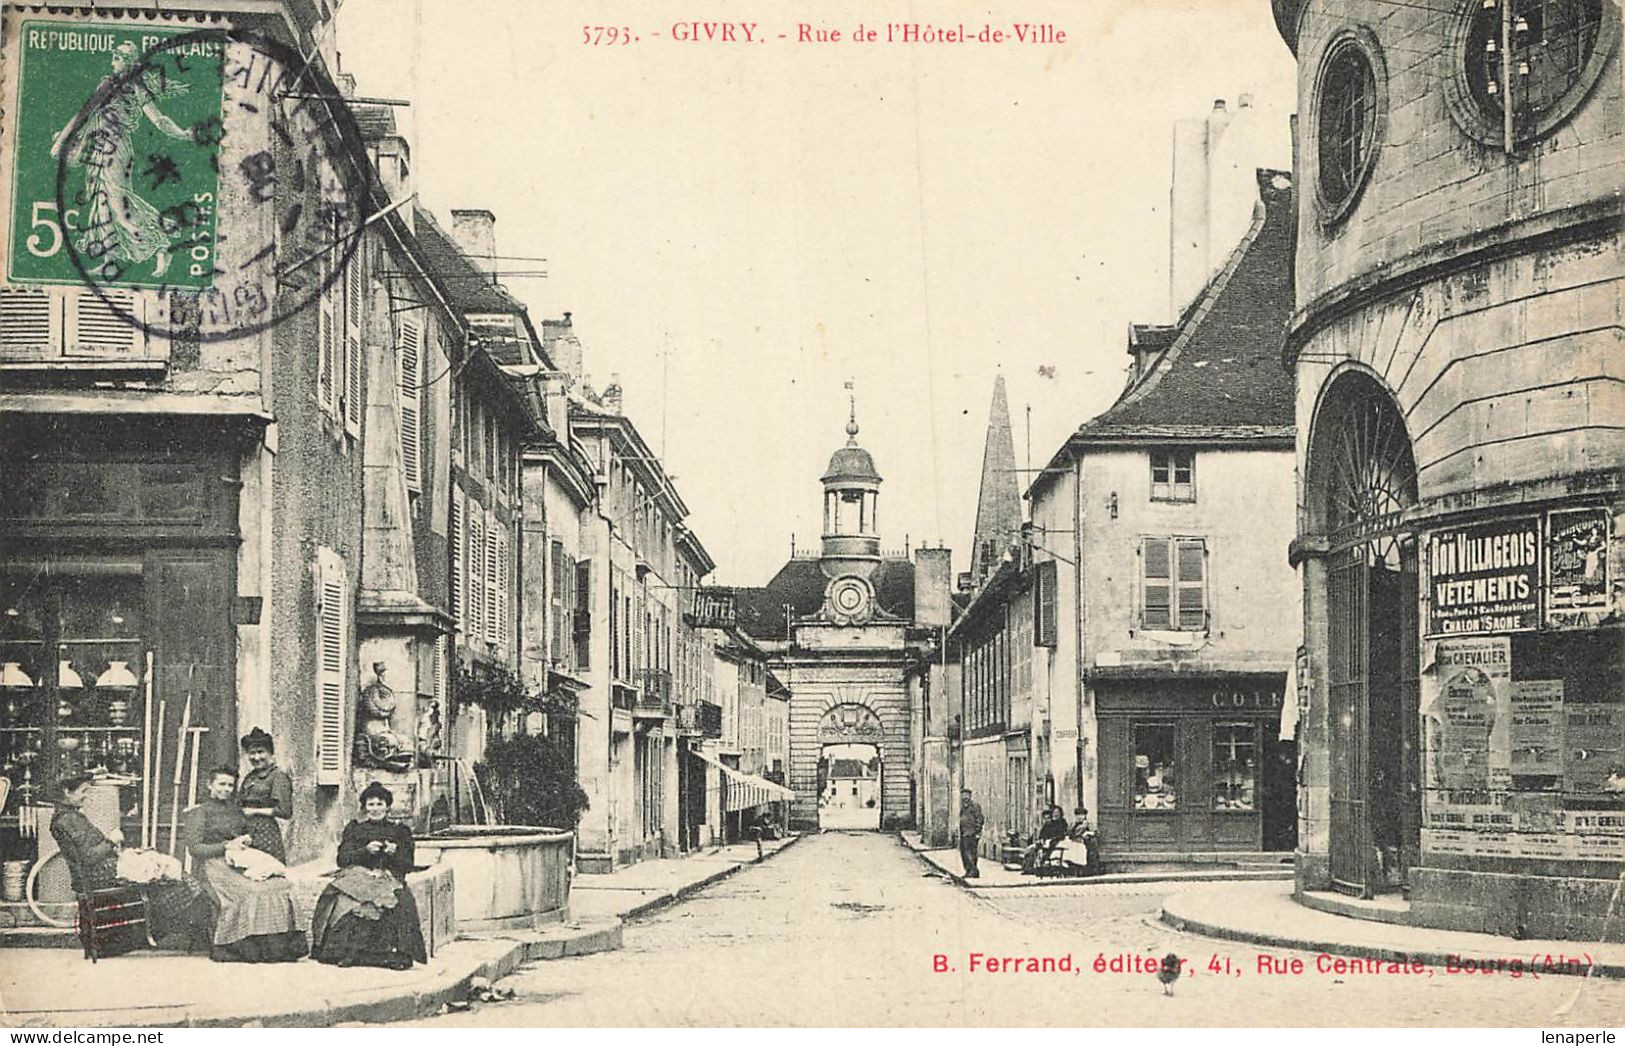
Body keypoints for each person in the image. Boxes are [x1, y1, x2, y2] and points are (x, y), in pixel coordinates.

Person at [49, 773, 209, 950]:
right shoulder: (68, 819)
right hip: (101, 873)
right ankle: (173, 925)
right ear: (66, 792)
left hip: (103, 868)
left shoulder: (68, 817)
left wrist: (125, 852)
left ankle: (178, 923)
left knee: (168, 868)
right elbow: (88, 857)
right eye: (82, 791)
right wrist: (112, 841)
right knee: (175, 876)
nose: (85, 796)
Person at [186, 767, 307, 963]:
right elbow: (195, 849)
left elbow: (247, 833)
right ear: (210, 785)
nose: (226, 789)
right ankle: (241, 948)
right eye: (221, 784)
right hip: (214, 867)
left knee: (280, 885)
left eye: (230, 785)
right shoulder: (199, 813)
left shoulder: (236, 811)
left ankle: (277, 950)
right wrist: (226, 845)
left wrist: (246, 841)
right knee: (253, 892)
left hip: (239, 862)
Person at [310, 782, 427, 969]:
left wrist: (394, 853)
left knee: (400, 901)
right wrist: (365, 851)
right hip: (357, 876)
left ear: (388, 806)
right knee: (342, 899)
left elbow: (407, 865)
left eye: (380, 804)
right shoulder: (355, 828)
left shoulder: (400, 831)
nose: (375, 808)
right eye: (371, 804)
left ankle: (389, 954)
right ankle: (349, 952)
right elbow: (342, 859)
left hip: (388, 877)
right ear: (364, 807)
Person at [238, 728, 293, 863]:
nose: (256, 757)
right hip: (246, 833)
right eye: (252, 753)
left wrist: (255, 811)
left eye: (261, 752)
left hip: (266, 835)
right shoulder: (250, 777)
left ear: (270, 753)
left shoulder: (277, 776)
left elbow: (285, 811)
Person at [1023, 806, 1069, 874]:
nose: (1056, 814)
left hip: (1055, 841)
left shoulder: (1063, 822)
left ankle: (1039, 866)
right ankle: (1029, 868)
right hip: (1046, 841)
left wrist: (1051, 838)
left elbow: (1062, 833)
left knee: (1042, 850)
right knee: (1031, 849)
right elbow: (1043, 833)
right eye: (1054, 812)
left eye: (1058, 812)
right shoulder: (1050, 823)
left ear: (1060, 813)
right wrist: (1042, 839)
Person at [958, 788, 984, 879]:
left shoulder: (974, 806)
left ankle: (974, 871)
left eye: (966, 795)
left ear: (970, 796)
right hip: (964, 833)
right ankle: (968, 870)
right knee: (964, 853)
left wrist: (978, 831)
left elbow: (979, 819)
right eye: (963, 795)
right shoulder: (963, 807)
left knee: (971, 853)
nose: (965, 797)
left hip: (972, 833)